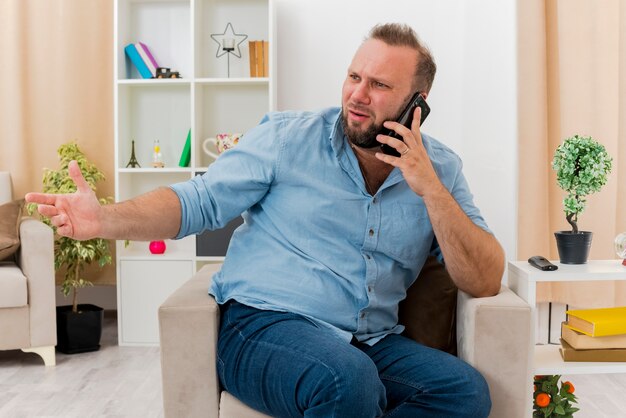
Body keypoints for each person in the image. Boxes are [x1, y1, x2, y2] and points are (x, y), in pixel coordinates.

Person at [27, 23, 504, 418]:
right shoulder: (285, 139)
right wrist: (103, 220)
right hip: (262, 327)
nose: (357, 95)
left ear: (418, 102)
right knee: (346, 380)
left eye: (379, 85)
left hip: (368, 340)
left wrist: (432, 191)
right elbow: (197, 202)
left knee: (462, 391)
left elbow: (483, 279)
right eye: (353, 76)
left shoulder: (441, 170)